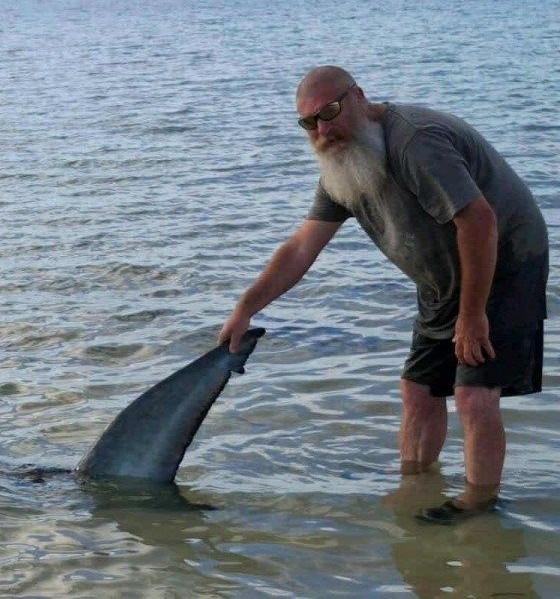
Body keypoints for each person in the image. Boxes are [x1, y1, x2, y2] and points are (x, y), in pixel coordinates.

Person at [218, 66, 549, 524]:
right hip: (442, 278)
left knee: (473, 394)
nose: (323, 129)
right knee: (417, 390)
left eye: (330, 112)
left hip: (506, 262)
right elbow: (301, 247)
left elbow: (479, 221)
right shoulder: (346, 165)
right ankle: (417, 489)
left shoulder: (415, 142)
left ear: (358, 96)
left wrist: (472, 316)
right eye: (309, 123)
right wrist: (245, 307)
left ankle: (479, 510)